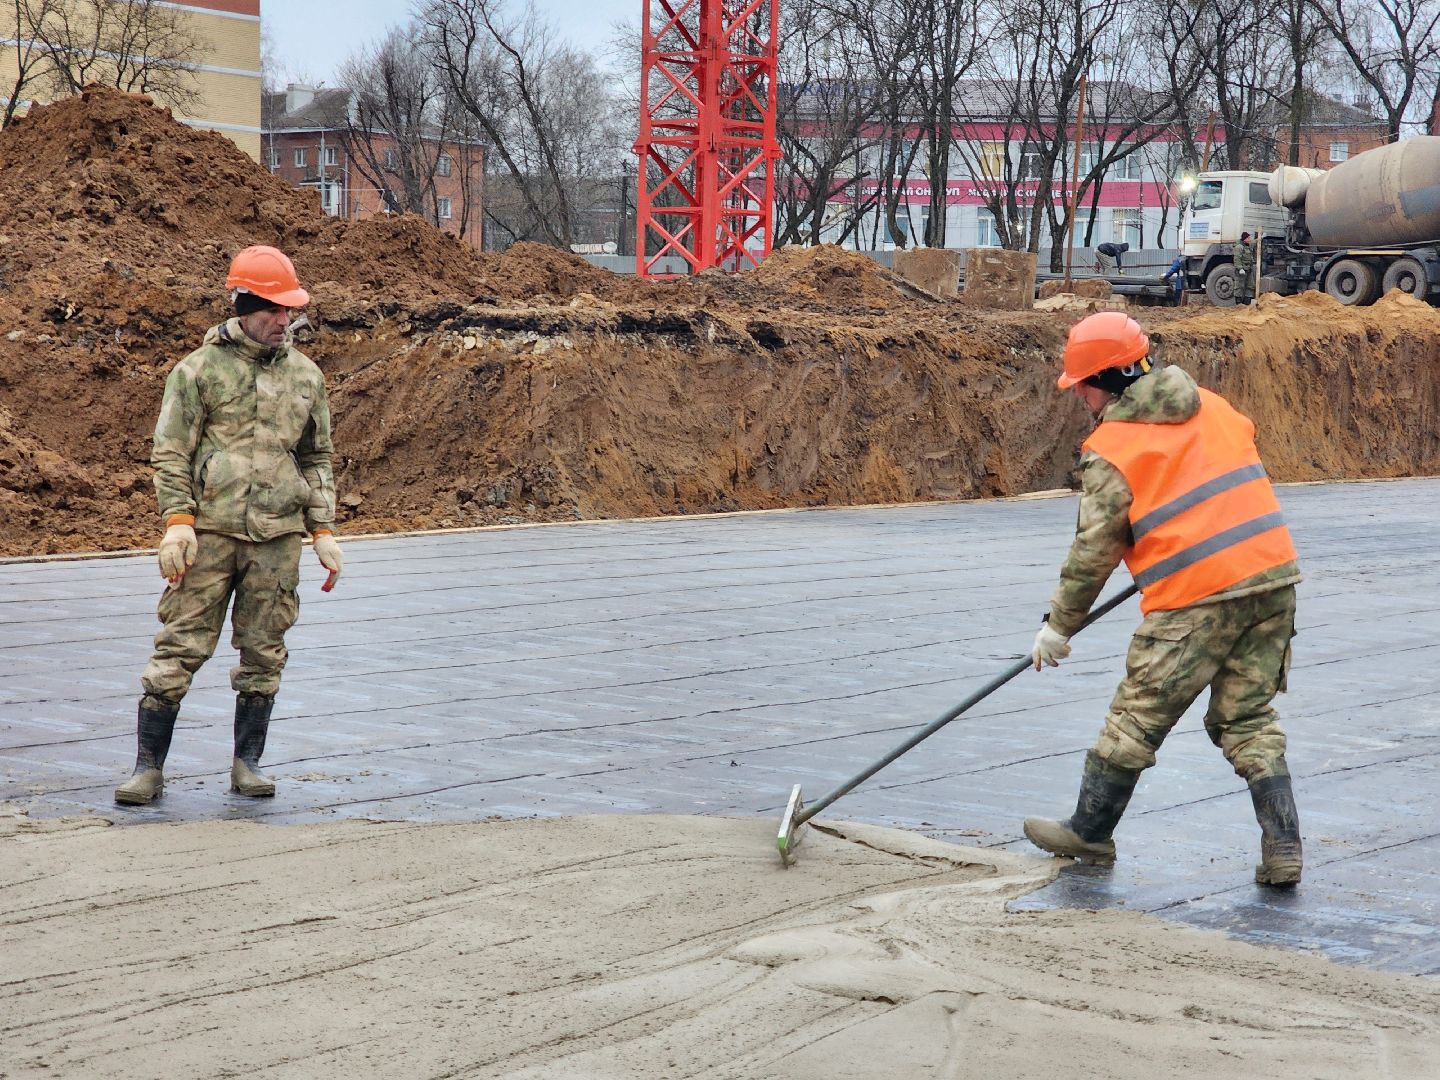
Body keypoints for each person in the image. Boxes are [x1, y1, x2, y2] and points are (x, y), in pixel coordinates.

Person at [1024, 311, 1304, 886]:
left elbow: (1093, 551)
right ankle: (1284, 849)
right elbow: (1225, 478)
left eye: (1080, 385)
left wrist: (1058, 626)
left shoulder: (1113, 447)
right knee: (1248, 718)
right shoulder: (1215, 405)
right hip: (1272, 579)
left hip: (1196, 598)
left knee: (1135, 719)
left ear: (1102, 380)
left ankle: (1090, 832)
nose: (1079, 396)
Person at [115, 245, 342, 806]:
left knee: (265, 652)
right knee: (179, 648)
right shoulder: (197, 371)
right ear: (243, 304)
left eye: (290, 311)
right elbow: (170, 451)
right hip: (209, 534)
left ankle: (248, 764)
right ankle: (148, 769)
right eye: (274, 310)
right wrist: (178, 521)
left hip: (277, 538)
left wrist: (323, 530)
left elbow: (316, 458)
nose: (284, 321)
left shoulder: (307, 378)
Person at [1233, 232, 1256, 305]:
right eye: (1248, 238)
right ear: (1245, 239)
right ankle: (1238, 303)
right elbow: (1237, 258)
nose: (1250, 239)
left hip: (1248, 269)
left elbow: (1254, 242)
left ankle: (1247, 302)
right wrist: (1240, 268)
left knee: (1250, 285)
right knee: (1239, 286)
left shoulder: (1248, 245)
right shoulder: (1239, 247)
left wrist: (1261, 238)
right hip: (1242, 270)